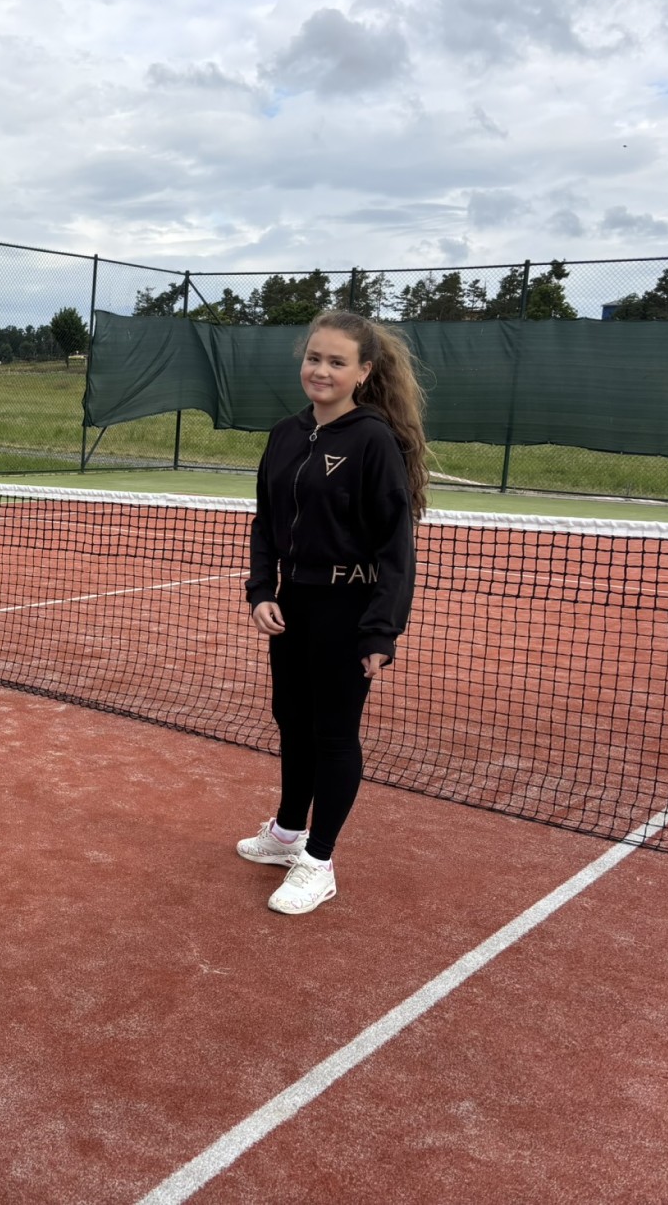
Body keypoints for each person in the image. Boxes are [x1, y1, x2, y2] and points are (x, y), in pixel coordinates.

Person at [238, 310, 429, 915]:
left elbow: (396, 546)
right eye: (314, 358)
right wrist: (262, 590)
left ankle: (318, 862)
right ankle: (286, 834)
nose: (321, 370)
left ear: (363, 372)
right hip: (293, 604)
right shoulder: (284, 434)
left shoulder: (373, 440)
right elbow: (266, 521)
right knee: (291, 720)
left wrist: (380, 630)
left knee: (333, 733)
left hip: (348, 609)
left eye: (337, 362)